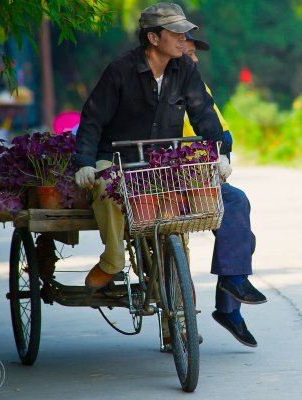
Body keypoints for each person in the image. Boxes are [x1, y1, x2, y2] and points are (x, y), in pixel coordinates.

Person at [73, 2, 265, 344]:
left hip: (165, 162)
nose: (182, 39)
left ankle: (183, 317)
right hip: (117, 158)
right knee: (106, 189)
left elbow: (205, 115)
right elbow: (92, 120)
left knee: (223, 204)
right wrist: (85, 162)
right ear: (153, 37)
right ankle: (113, 259)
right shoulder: (120, 70)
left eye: (184, 33)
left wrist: (219, 152)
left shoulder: (185, 71)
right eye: (175, 33)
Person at [181, 31, 267, 347]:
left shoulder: (196, 86)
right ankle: (231, 295)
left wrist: (221, 155)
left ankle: (229, 303)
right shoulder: (156, 87)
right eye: (188, 52)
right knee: (237, 206)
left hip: (199, 178)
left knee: (241, 231)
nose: (195, 58)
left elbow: (220, 131)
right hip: (159, 182)